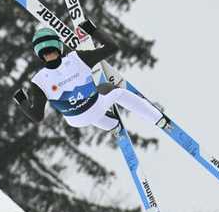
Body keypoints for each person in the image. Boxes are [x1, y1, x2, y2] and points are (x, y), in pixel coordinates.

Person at [13, 20, 166, 132]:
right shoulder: (76, 58)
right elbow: (113, 47)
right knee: (114, 91)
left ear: (38, 53)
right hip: (96, 106)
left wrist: (22, 101)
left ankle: (112, 125)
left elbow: (37, 117)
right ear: (58, 45)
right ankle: (158, 119)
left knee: (93, 100)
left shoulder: (38, 80)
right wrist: (93, 30)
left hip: (75, 121)